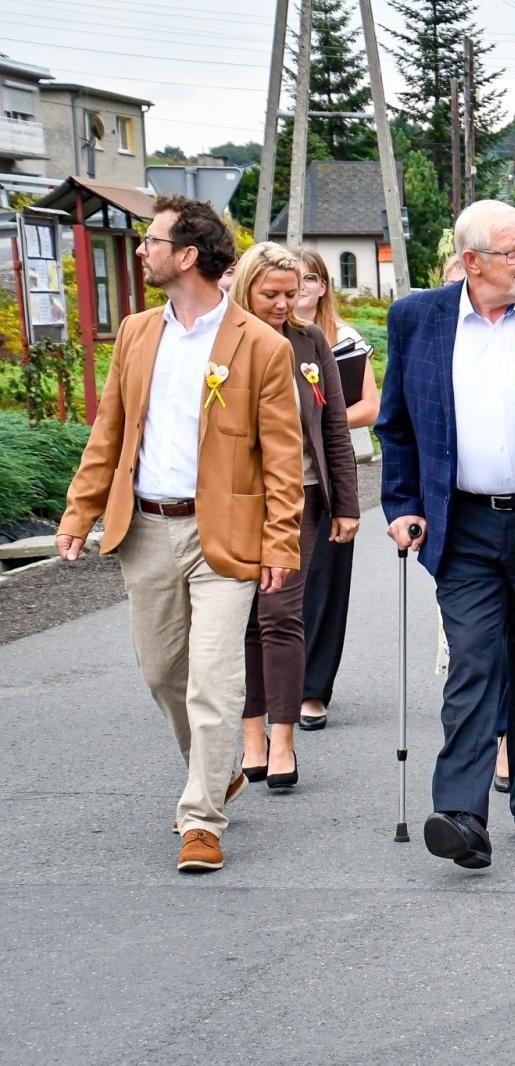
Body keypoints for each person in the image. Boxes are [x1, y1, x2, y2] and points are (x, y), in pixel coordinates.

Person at [54, 195, 303, 872]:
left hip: (224, 535)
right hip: (145, 530)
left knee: (215, 679)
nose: (141, 250)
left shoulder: (260, 345)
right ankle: (215, 766)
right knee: (163, 671)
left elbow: (283, 458)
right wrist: (80, 512)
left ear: (188, 255)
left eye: (152, 241)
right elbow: (110, 433)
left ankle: (201, 818)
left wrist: (282, 541)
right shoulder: (137, 333)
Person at [377, 199, 515, 869]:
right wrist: (399, 503)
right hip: (463, 523)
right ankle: (461, 815)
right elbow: (396, 425)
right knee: (473, 661)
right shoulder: (417, 319)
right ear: (472, 262)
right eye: (514, 251)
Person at [229, 243, 359, 789]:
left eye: (291, 292)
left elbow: (333, 429)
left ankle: (282, 740)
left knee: (282, 614)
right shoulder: (223, 342)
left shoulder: (310, 343)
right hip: (235, 505)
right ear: (245, 291)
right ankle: (250, 734)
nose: (284, 304)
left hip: (302, 500)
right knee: (245, 620)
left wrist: (346, 504)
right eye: (272, 294)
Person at [290, 246, 377, 730]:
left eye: (309, 279)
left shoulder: (344, 339)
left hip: (330, 470)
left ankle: (314, 688)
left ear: (323, 285)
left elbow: (371, 406)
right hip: (281, 472)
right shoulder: (262, 337)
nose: (301, 288)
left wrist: (323, 420)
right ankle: (275, 681)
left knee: (325, 581)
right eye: (292, 279)